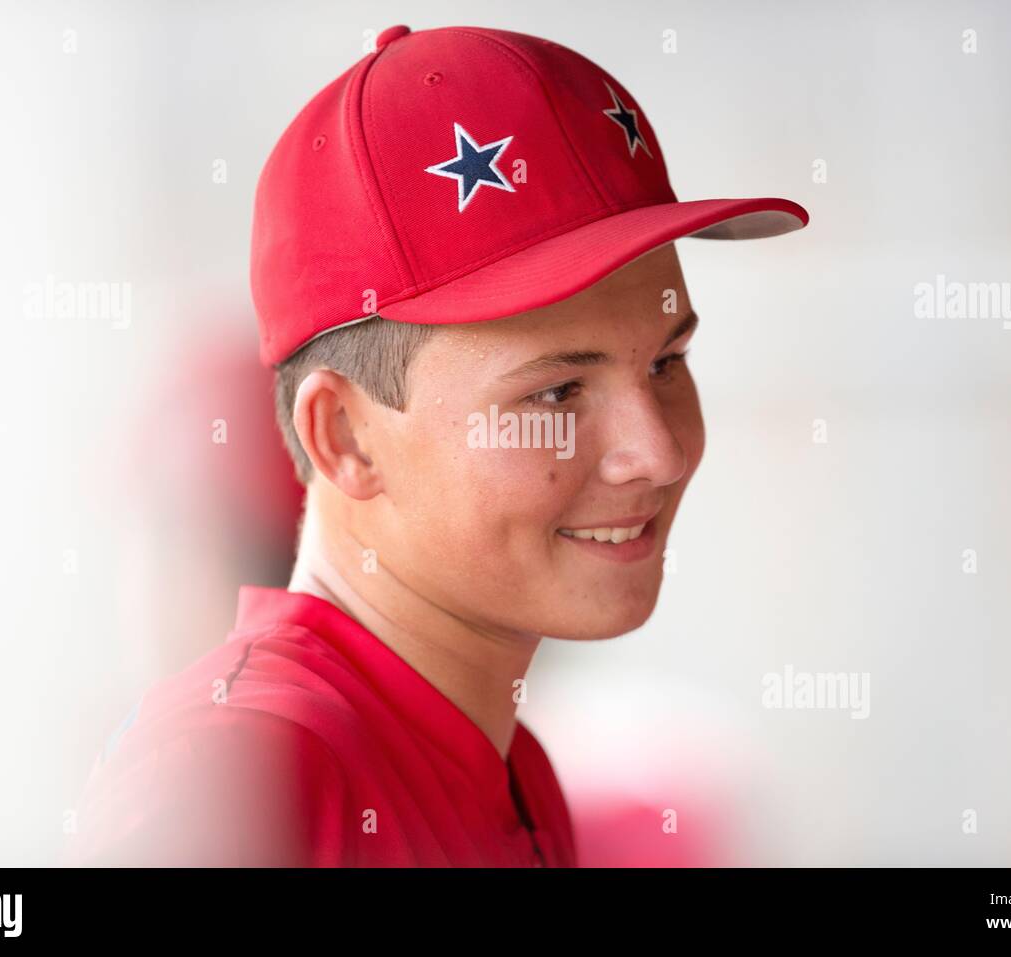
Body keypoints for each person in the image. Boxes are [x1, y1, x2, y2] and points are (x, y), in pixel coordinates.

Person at [62, 23, 807, 867]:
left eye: (668, 360)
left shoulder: (509, 764)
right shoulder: (237, 767)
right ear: (345, 437)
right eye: (557, 391)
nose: (659, 451)